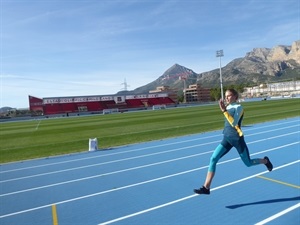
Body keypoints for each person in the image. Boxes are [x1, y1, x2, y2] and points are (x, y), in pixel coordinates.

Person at [194, 88, 273, 195]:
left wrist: (224, 111)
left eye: (229, 95)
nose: (227, 97)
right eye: (226, 96)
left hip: (237, 139)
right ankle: (206, 187)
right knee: (213, 159)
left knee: (248, 163)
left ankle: (265, 161)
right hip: (226, 139)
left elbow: (234, 123)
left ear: (235, 96)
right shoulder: (227, 107)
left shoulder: (239, 107)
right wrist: (224, 110)